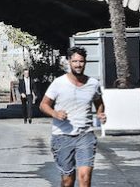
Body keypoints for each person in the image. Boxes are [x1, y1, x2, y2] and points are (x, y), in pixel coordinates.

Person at [40, 46, 106, 187]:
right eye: (75, 61)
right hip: (62, 136)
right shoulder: (59, 83)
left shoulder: (93, 84)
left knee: (85, 178)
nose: (78, 64)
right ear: (69, 62)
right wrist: (55, 113)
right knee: (68, 180)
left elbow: (99, 102)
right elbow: (43, 105)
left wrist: (100, 113)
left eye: (81, 61)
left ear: (85, 62)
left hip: (85, 135)